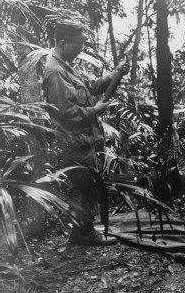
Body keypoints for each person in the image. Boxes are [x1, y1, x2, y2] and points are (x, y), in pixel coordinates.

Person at [42, 19, 129, 245]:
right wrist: (95, 110)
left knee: (87, 185)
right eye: (76, 46)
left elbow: (88, 88)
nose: (80, 51)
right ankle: (83, 234)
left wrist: (112, 75)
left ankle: (83, 231)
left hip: (83, 139)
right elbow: (66, 112)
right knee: (83, 186)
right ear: (62, 42)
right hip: (73, 142)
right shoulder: (55, 71)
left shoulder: (67, 65)